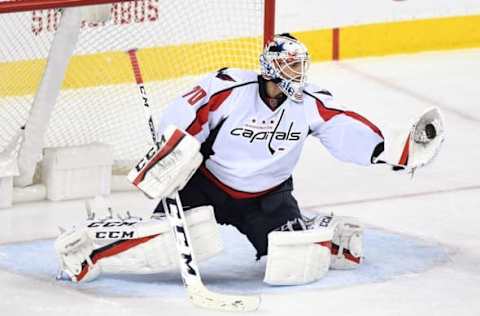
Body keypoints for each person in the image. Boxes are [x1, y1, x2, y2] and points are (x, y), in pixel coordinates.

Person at [55, 33, 444, 285]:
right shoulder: (230, 88)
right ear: (272, 66)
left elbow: (345, 127)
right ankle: (93, 240)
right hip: (205, 186)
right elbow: (186, 115)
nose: (300, 73)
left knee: (296, 264)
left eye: (302, 66)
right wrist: (172, 150)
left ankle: (323, 231)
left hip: (268, 197)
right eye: (292, 65)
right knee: (164, 246)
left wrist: (390, 151)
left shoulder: (309, 103)